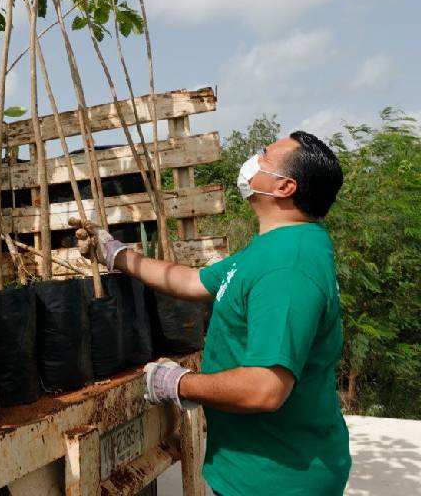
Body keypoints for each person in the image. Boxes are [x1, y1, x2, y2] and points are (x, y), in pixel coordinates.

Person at [71, 131, 352, 496]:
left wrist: (179, 383)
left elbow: (265, 389)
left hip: (277, 480)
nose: (255, 158)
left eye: (266, 155)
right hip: (254, 468)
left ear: (284, 187)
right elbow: (190, 282)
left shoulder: (288, 266)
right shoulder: (271, 248)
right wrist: (114, 253)